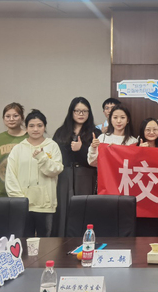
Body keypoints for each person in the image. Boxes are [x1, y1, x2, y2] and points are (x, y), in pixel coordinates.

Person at [5, 110, 63, 237]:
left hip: (45, 205)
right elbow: (10, 176)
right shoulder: (18, 148)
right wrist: (19, 200)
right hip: (23, 204)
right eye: (31, 126)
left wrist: (42, 158)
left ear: (45, 127)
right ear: (26, 128)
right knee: (24, 240)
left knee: (46, 242)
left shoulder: (52, 146)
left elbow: (56, 170)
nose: (35, 129)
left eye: (39, 125)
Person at [52, 97, 101, 236]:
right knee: (63, 210)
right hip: (65, 176)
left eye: (85, 111)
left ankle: (87, 240)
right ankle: (62, 242)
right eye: (77, 111)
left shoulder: (95, 133)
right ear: (71, 112)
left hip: (86, 176)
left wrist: (81, 149)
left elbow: (98, 160)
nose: (81, 114)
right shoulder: (61, 132)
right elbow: (55, 156)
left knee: (85, 210)